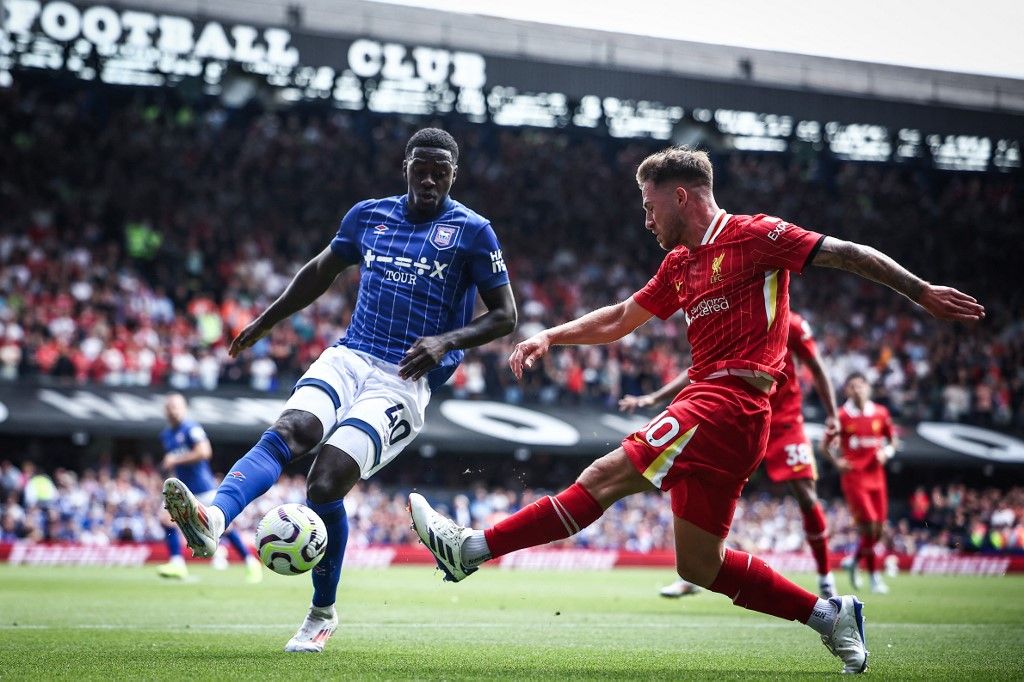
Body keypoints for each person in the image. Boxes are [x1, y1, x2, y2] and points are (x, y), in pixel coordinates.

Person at [409, 146, 983, 673]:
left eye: (648, 203)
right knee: (699, 566)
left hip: (731, 401)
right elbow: (618, 319)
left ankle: (472, 548)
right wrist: (551, 337)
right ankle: (830, 617)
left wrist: (921, 291)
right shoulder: (680, 263)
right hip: (713, 407)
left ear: (679, 195)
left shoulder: (756, 235)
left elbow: (848, 254)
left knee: (605, 476)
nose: (646, 218)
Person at [162, 128, 517, 653]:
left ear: (453, 173)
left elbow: (505, 316)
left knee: (325, 482)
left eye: (440, 169)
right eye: (421, 166)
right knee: (291, 429)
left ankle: (321, 612)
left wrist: (447, 341)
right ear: (406, 167)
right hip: (351, 354)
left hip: (403, 377)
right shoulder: (368, 216)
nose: (429, 176)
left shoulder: (473, 231)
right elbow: (320, 273)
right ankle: (213, 518)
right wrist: (264, 322)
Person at [622, 312, 839, 599]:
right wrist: (653, 398)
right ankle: (695, 574)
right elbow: (699, 369)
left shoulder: (793, 324)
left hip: (784, 423)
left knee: (806, 495)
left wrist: (833, 415)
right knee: (709, 490)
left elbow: (816, 366)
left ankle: (825, 577)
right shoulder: (737, 317)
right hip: (740, 417)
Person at [155, 393, 263, 583]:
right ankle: (177, 563)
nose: (174, 410)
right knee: (165, 519)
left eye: (177, 406)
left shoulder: (191, 428)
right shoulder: (166, 434)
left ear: (184, 408)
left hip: (203, 488)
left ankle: (250, 561)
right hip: (185, 488)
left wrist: (175, 459)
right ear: (165, 410)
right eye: (171, 407)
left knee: (223, 528)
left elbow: (204, 452)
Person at [832, 373, 898, 594]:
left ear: (868, 388)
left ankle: (855, 560)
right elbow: (829, 443)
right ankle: (874, 577)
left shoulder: (881, 412)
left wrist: (887, 452)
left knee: (878, 530)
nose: (858, 389)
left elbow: (893, 439)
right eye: (853, 386)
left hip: (877, 477)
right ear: (847, 391)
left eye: (861, 385)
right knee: (869, 525)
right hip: (854, 477)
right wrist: (836, 460)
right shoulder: (841, 415)